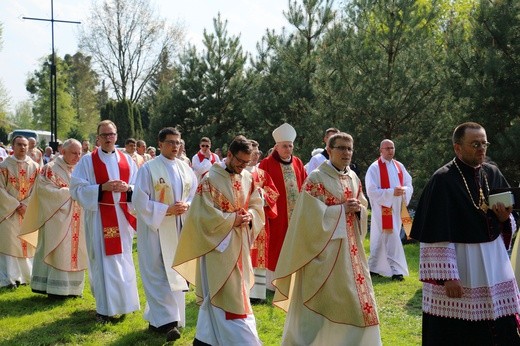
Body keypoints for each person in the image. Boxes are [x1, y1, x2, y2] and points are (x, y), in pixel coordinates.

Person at [410, 122, 520, 345]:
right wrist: (448, 277)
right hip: (461, 262)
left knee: (499, 318)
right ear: (457, 148)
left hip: (493, 258)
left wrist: (503, 218)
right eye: (475, 144)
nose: (481, 149)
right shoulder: (442, 180)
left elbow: (508, 219)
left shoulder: (492, 172)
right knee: (459, 329)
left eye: (484, 143)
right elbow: (436, 232)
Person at [273, 132, 381, 345]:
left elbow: (362, 203)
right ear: (329, 150)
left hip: (351, 251)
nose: (346, 153)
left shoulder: (353, 177)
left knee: (358, 301)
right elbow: (307, 218)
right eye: (341, 148)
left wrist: (359, 209)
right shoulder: (316, 178)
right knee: (322, 303)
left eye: (349, 149)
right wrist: (341, 210)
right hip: (323, 252)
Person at [173, 135, 265, 345]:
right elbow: (201, 216)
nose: (242, 167)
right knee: (225, 294)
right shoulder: (210, 179)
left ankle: (206, 339)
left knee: (234, 292)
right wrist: (232, 219)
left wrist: (251, 215)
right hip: (217, 246)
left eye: (246, 163)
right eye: (239, 161)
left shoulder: (248, 178)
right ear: (229, 155)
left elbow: (256, 204)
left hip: (240, 245)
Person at [70, 120, 140, 323]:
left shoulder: (127, 160)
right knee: (103, 262)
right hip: (100, 216)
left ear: (116, 136)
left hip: (122, 216)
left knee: (123, 259)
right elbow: (76, 189)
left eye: (112, 134)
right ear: (98, 138)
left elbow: (140, 187)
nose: (109, 138)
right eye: (104, 134)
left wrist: (128, 189)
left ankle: (125, 303)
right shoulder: (87, 161)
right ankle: (104, 308)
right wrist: (102, 188)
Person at [133, 127, 197, 342]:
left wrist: (186, 206)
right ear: (160, 144)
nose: (175, 146)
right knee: (157, 273)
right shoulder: (149, 169)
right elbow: (139, 201)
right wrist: (167, 210)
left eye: (178, 142)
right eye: (170, 142)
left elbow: (193, 195)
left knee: (175, 272)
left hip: (179, 228)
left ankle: (161, 319)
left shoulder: (185, 168)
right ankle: (169, 322)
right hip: (156, 229)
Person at [19, 139, 87, 297]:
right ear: (63, 152)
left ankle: (74, 289)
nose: (77, 157)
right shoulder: (50, 169)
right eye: (73, 153)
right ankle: (56, 288)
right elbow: (44, 191)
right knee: (59, 250)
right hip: (57, 218)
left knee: (78, 250)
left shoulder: (82, 169)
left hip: (78, 217)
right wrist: (72, 192)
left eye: (79, 153)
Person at [258, 123, 307, 288]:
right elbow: (259, 186)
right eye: (284, 146)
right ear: (276, 147)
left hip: (296, 214)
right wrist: (269, 200)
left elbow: (305, 184)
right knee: (275, 246)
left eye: (290, 146)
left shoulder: (298, 163)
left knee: (294, 244)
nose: (288, 149)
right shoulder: (266, 163)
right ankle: (273, 283)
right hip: (275, 215)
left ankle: (293, 280)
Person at [365, 139, 413, 281]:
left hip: (398, 206)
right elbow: (371, 191)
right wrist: (391, 192)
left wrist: (403, 190)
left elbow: (408, 184)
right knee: (391, 235)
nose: (390, 150)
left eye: (392, 148)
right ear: (381, 150)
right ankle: (396, 270)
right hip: (383, 208)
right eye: (387, 148)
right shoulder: (374, 168)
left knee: (381, 237)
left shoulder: (399, 166)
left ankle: (373, 266)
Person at [0, 136, 39, 288]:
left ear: (28, 147)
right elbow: (0, 189)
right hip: (9, 212)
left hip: (27, 211)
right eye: (19, 145)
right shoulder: (4, 166)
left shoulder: (35, 166)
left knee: (27, 243)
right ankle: (9, 277)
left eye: (25, 145)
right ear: (13, 146)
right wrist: (16, 205)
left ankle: (26, 276)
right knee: (9, 243)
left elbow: (38, 189)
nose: (22, 148)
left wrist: (27, 205)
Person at [246, 139, 279, 302]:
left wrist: (262, 196)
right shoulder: (237, 172)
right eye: (253, 152)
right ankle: (243, 289)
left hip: (259, 221)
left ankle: (257, 293)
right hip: (243, 219)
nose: (255, 156)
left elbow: (274, 193)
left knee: (258, 256)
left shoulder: (262, 174)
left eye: (258, 152)